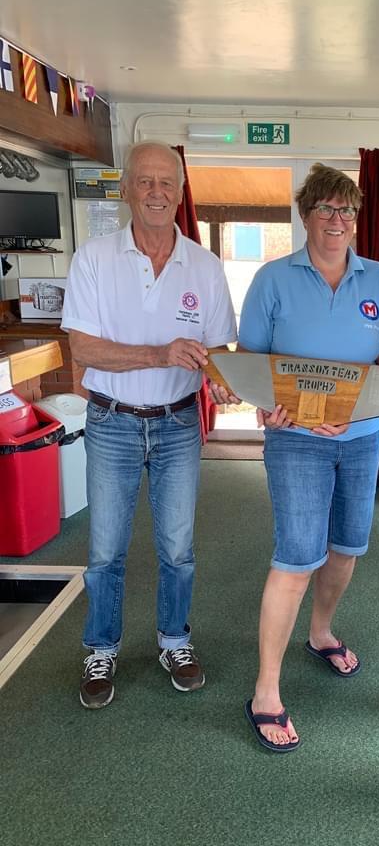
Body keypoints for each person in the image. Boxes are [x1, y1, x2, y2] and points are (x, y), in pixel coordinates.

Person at [210, 163, 379, 751]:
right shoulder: (273, 280)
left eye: (347, 210)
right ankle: (265, 691)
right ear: (305, 216)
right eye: (326, 209)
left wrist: (370, 405)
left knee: (347, 550)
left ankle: (321, 632)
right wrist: (268, 407)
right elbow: (253, 364)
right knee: (297, 559)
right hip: (296, 440)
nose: (338, 220)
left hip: (362, 436)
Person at [61, 141, 237, 710]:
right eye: (145, 182)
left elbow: (216, 349)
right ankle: (101, 648)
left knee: (178, 548)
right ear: (127, 189)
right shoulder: (94, 257)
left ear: (181, 192)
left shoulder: (205, 267)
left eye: (167, 182)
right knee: (106, 550)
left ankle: (174, 640)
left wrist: (221, 377)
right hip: (111, 422)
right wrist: (161, 354)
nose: (156, 192)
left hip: (179, 425)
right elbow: (83, 349)